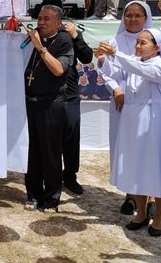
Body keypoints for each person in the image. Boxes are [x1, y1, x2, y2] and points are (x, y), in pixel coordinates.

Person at [97, 28, 161, 237]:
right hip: (133, 121)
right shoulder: (133, 61)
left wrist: (117, 54)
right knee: (137, 166)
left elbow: (141, 70)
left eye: (143, 43)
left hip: (155, 122)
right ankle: (141, 213)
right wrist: (104, 60)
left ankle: (159, 216)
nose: (138, 46)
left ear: (157, 47)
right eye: (137, 42)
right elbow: (115, 73)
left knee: (157, 167)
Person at [98, 0, 153, 216]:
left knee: (146, 148)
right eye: (128, 15)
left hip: (147, 102)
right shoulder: (116, 40)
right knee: (126, 148)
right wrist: (116, 90)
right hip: (121, 100)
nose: (132, 19)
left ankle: (149, 196)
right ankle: (131, 195)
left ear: (146, 18)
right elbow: (106, 71)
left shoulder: (154, 40)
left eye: (137, 15)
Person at [23, 5, 74, 211]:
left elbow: (58, 69)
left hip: (51, 104)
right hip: (30, 103)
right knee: (31, 152)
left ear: (58, 23)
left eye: (46, 19)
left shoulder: (63, 42)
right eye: (39, 18)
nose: (41, 22)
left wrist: (40, 48)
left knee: (51, 153)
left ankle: (52, 198)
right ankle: (33, 195)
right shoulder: (30, 42)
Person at [61, 20, 94, 195]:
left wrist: (75, 35)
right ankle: (51, 176)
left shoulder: (71, 33)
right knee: (49, 139)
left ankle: (70, 176)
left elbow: (87, 57)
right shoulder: (40, 34)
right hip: (48, 94)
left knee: (72, 137)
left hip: (71, 94)